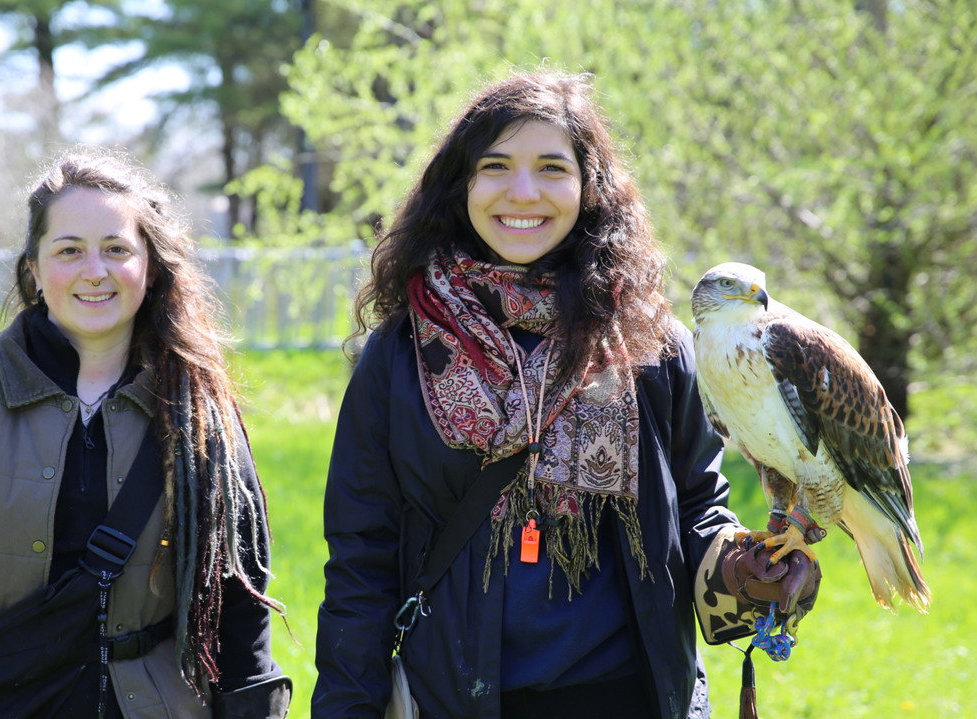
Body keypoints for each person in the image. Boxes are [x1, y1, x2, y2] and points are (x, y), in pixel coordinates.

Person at [312, 72, 821, 718]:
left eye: (551, 168)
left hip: (629, 698)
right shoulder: (398, 354)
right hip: (453, 701)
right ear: (460, 184)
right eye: (494, 166)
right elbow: (361, 562)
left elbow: (695, 506)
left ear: (588, 187)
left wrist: (747, 570)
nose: (521, 192)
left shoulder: (650, 342)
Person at [0, 149, 291, 718]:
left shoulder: (199, 406)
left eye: (116, 249)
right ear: (34, 268)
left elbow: (240, 601)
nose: (94, 271)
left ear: (150, 267)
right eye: (69, 251)